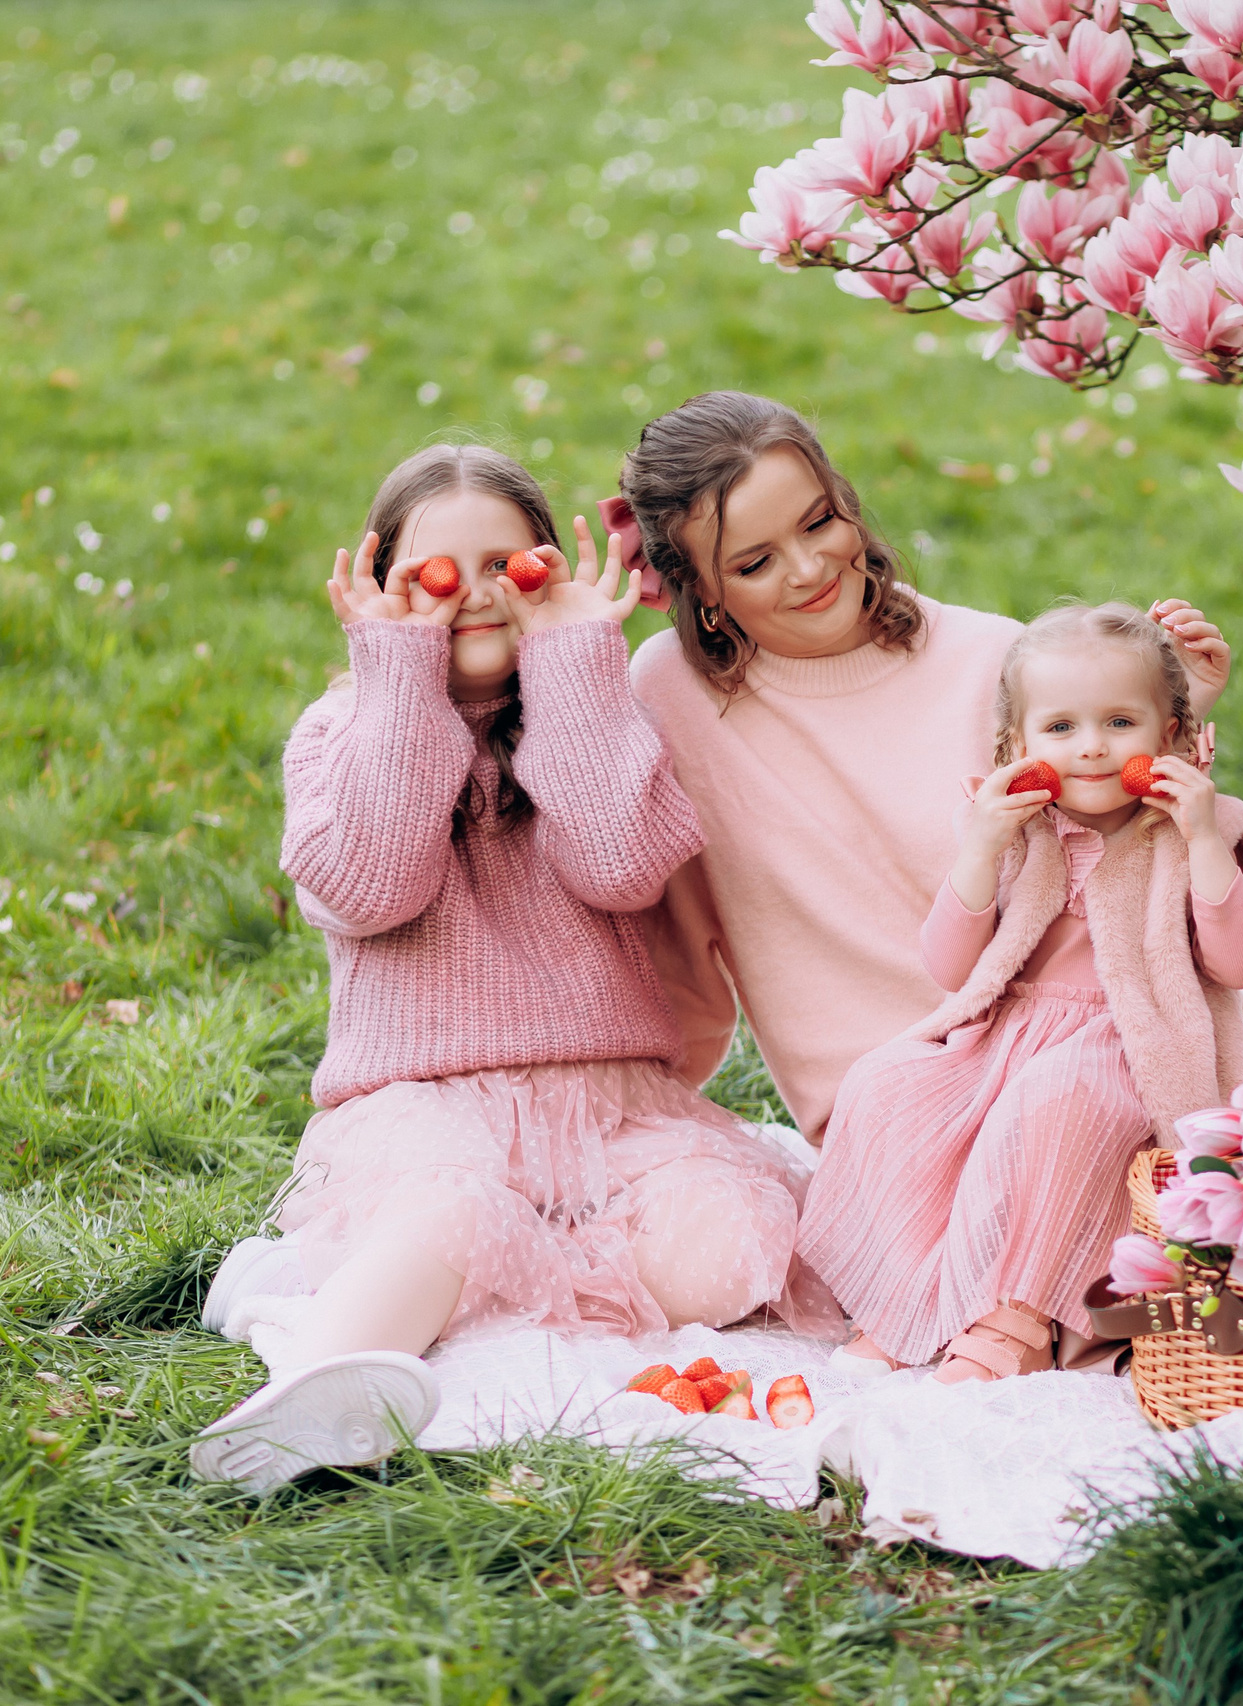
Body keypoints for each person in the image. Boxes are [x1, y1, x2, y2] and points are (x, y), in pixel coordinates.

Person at [191, 444, 827, 1496]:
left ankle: (414, 1292)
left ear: (551, 569)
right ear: (383, 585)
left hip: (609, 1106)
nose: (478, 592)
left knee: (734, 1243)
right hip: (425, 1105)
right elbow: (371, 883)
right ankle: (313, 1385)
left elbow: (622, 868)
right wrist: (398, 675)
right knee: (453, 1214)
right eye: (436, 574)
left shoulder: (600, 715)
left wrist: (575, 665)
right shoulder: (339, 731)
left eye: (509, 563)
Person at [618, 392, 1234, 1147]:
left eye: (819, 521)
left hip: (1068, 1064)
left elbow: (1125, 881)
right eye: (753, 563)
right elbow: (672, 948)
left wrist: (1178, 723)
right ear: (702, 593)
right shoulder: (671, 696)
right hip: (885, 1106)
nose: (811, 568)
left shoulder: (993, 661)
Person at [797, 604, 1243, 1382]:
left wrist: (1203, 840)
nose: (1090, 746)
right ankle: (904, 1300)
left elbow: (1239, 963)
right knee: (889, 1087)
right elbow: (952, 968)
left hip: (1129, 1039)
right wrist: (980, 849)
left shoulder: (1193, 827)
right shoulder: (1018, 829)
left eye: (1120, 722)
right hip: (1009, 1030)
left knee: (1053, 1106)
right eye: (1060, 728)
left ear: (1173, 738)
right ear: (1017, 746)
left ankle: (1012, 1318)